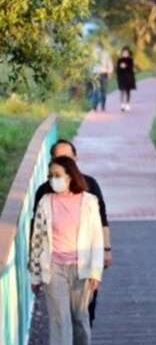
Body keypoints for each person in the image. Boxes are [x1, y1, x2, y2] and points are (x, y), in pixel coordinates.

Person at [29, 156, 105, 345]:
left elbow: (96, 238)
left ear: (70, 176)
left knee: (79, 316)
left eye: (57, 175)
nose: (53, 180)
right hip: (54, 267)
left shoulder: (89, 202)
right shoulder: (45, 202)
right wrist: (35, 274)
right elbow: (37, 238)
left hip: (82, 268)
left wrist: (96, 272)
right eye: (50, 176)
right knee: (59, 319)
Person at [33, 139, 111, 327]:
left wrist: (106, 249)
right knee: (61, 317)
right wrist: (35, 268)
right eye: (59, 158)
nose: (64, 162)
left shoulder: (90, 187)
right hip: (55, 264)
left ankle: (82, 339)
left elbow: (101, 220)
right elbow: (36, 231)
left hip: (83, 261)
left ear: (76, 158)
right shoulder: (44, 192)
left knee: (82, 313)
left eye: (67, 158)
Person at [90, 44, 113, 111]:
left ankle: (100, 105)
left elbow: (109, 63)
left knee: (100, 90)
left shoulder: (105, 54)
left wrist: (109, 72)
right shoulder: (93, 55)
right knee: (98, 90)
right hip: (97, 74)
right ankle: (97, 105)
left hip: (101, 73)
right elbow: (90, 65)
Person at [115, 47, 136, 112]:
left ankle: (127, 104)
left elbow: (131, 68)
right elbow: (117, 70)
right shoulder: (119, 60)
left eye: (126, 53)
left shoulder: (130, 60)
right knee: (122, 91)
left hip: (128, 78)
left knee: (128, 92)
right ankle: (122, 105)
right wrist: (120, 67)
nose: (125, 54)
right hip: (121, 78)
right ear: (122, 53)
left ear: (128, 54)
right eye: (124, 53)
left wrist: (125, 66)